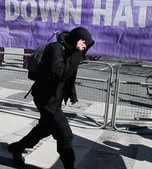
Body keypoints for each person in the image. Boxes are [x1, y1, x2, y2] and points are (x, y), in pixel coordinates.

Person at [7, 27, 94, 168]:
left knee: (45, 129)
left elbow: (68, 76)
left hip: (52, 98)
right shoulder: (57, 49)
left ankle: (17, 148)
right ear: (78, 41)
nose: (85, 49)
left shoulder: (69, 50)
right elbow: (59, 74)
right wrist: (77, 53)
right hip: (46, 99)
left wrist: (71, 95)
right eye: (84, 45)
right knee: (65, 135)